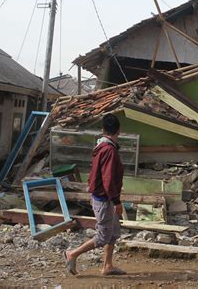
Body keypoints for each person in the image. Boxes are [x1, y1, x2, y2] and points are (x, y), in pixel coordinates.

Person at [64, 114, 126, 276]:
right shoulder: (109, 150)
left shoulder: (101, 147)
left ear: (103, 130)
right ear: (118, 130)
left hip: (104, 198)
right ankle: (73, 253)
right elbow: (108, 179)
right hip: (105, 199)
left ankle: (107, 266)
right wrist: (117, 201)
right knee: (103, 237)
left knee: (113, 233)